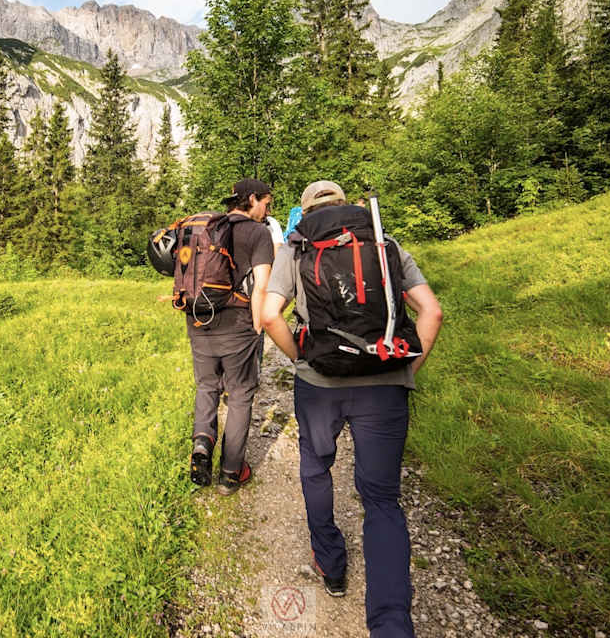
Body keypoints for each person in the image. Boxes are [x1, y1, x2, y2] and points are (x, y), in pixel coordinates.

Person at [260, 181, 442, 638]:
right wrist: (407, 368)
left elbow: (268, 316)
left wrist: (299, 359)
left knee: (317, 468)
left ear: (304, 213)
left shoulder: (297, 249)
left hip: (320, 384)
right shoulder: (384, 243)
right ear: (346, 208)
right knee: (382, 501)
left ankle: (331, 563)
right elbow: (431, 313)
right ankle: (392, 625)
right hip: (385, 385)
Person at [188, 178, 275, 494]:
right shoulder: (258, 233)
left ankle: (202, 442)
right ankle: (229, 474)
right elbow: (263, 286)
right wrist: (258, 326)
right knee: (239, 395)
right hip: (237, 326)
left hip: (198, 321)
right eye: (267, 202)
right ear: (252, 199)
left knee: (207, 386)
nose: (268, 209)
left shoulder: (207, 227)